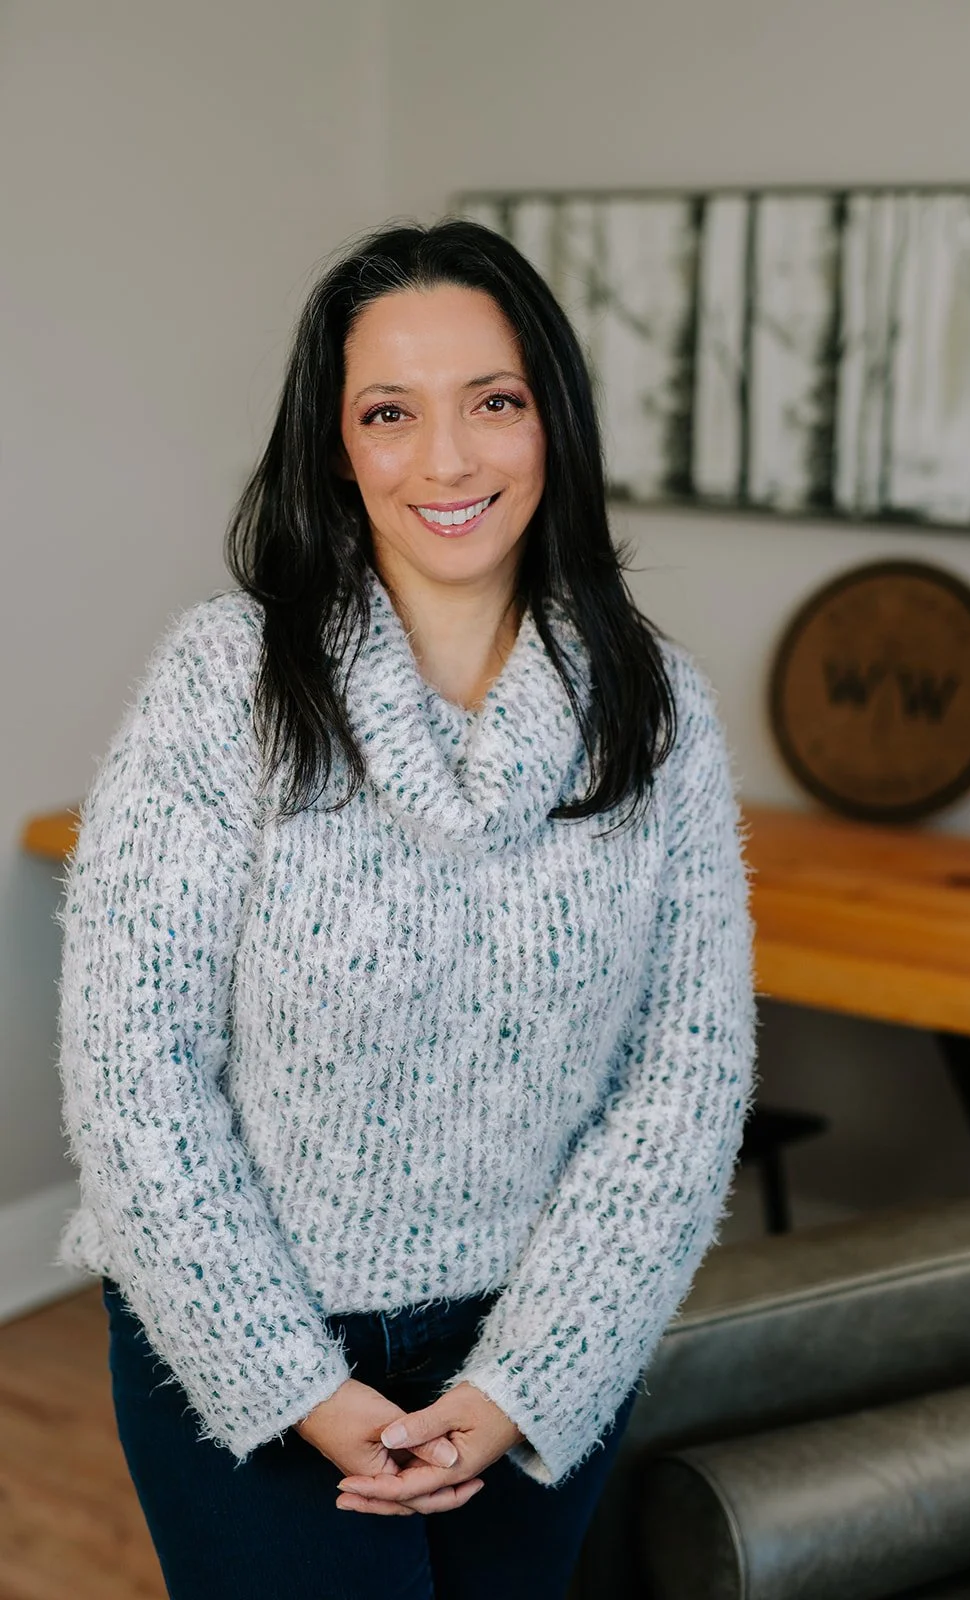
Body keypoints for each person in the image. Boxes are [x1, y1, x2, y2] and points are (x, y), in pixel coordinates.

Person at [55, 217, 757, 1599]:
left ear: (551, 419)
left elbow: (685, 1079)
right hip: (239, 1349)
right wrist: (297, 1386)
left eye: (492, 403)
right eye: (390, 413)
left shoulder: (654, 707)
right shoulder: (224, 687)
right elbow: (134, 1079)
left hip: (536, 1352)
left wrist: (527, 1377)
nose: (446, 461)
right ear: (336, 448)